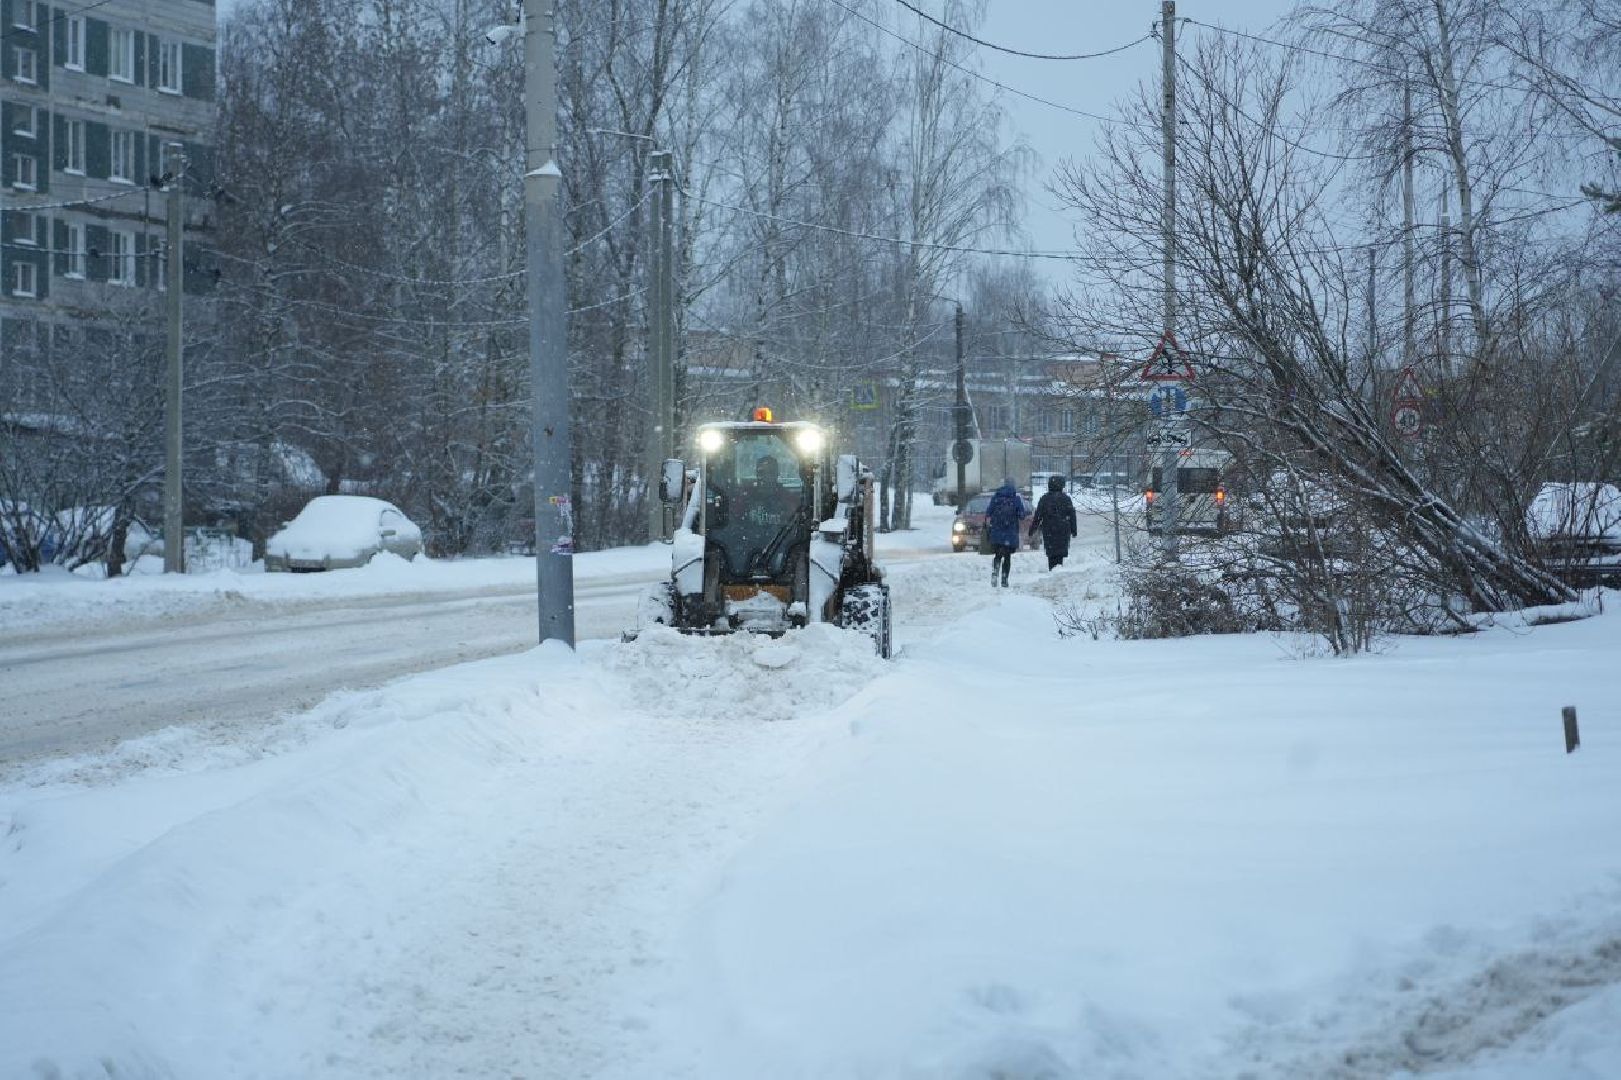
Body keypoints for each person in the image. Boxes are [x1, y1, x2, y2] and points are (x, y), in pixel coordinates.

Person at [983, 477, 1028, 588]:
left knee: (998, 555)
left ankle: (995, 573)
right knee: (1007, 557)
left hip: (997, 532)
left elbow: (988, 512)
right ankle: (1004, 579)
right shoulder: (1016, 499)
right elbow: (1022, 515)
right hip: (1010, 532)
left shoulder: (996, 498)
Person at [1029, 473, 1078, 570]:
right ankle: (1058, 569)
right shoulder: (1066, 499)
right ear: (1062, 486)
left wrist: (1032, 529)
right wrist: (1074, 530)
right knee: (1060, 553)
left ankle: (1052, 569)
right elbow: (1072, 515)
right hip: (1063, 530)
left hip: (1049, 529)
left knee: (1051, 553)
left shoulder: (1044, 499)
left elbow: (1038, 516)